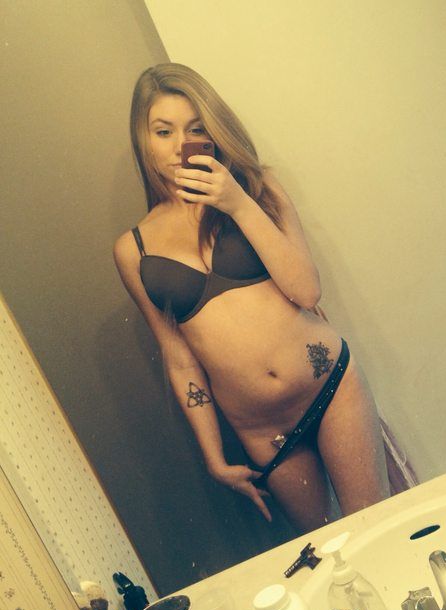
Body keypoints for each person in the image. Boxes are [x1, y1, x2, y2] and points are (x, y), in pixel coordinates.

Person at [114, 62, 390, 533]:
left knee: (378, 528)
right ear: (143, 138)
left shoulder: (259, 188)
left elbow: (306, 289)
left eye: (195, 129)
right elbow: (178, 357)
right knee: (328, 553)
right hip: (265, 433)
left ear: (213, 131)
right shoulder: (132, 249)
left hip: (330, 386)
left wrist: (237, 203)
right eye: (163, 131)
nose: (180, 145)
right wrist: (214, 459)